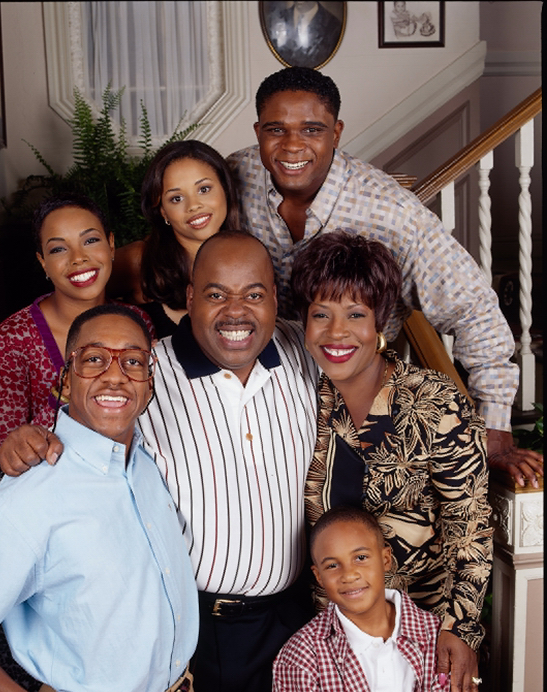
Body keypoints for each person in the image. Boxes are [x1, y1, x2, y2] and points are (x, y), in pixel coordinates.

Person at [0, 230, 320, 692]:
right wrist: (26, 437)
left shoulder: (301, 354)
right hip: (186, 628)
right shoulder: (146, 373)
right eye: (216, 294)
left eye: (254, 294)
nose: (236, 312)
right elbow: (83, 432)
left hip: (288, 619)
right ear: (189, 298)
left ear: (275, 300)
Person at [226, 65, 544, 488]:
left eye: (312, 130)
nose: (292, 146)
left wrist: (496, 427)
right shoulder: (235, 176)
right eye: (275, 129)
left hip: (357, 404)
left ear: (336, 133)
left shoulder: (393, 215)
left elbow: (475, 312)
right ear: (258, 130)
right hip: (259, 392)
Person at [0, 305, 205, 692]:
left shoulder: (148, 464)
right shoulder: (30, 500)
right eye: (94, 359)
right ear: (64, 379)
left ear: (150, 383)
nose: (116, 376)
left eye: (133, 361)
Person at [0, 192, 153, 692]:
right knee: (14, 644)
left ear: (112, 246)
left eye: (90, 240)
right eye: (57, 249)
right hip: (29, 489)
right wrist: (26, 442)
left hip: (110, 496)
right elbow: (10, 437)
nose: (77, 258)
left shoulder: (140, 322)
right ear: (41, 263)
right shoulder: (12, 338)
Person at [291, 230, 492, 692]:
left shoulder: (432, 401)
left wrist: (460, 630)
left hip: (425, 634)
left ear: (381, 322)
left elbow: (471, 527)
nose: (337, 332)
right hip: (332, 639)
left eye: (356, 314)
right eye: (322, 314)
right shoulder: (303, 398)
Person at [270, 506, 479, 692]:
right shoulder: (300, 657)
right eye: (333, 565)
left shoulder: (435, 638)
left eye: (360, 557)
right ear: (319, 577)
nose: (349, 574)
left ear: (386, 558)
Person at [108, 139, 241, 338]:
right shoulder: (138, 260)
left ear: (225, 189)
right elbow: (68, 300)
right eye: (176, 198)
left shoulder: (249, 258)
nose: (194, 206)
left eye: (204, 189)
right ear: (163, 211)